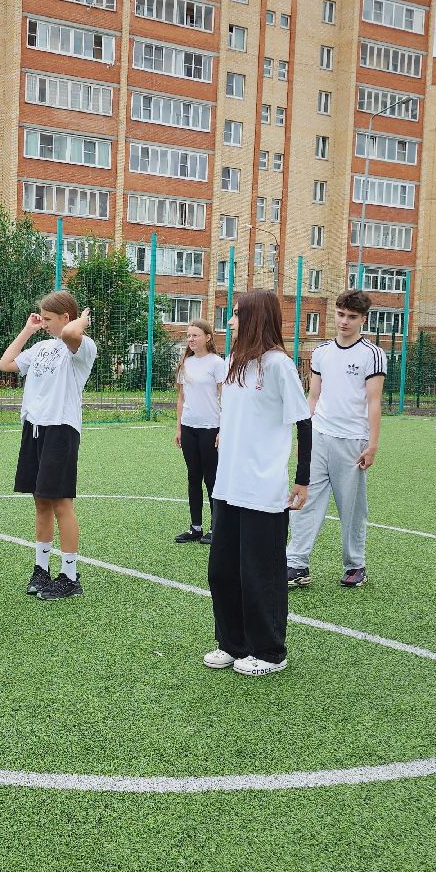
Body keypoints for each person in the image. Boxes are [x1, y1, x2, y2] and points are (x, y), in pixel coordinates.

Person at [204, 289, 312, 676]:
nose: (230, 321)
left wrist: (302, 480)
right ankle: (232, 644)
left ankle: (269, 652)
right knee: (222, 570)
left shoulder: (279, 365)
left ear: (254, 318)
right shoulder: (233, 361)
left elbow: (304, 421)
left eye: (235, 315)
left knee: (259, 573)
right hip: (227, 487)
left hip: (264, 490)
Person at [284, 289, 387, 589]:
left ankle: (355, 565)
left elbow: (374, 402)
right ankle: (296, 564)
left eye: (351, 317)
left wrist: (373, 444)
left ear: (363, 319)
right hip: (319, 437)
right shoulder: (321, 352)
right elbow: (313, 396)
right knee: (303, 499)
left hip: (353, 441)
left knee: (351, 507)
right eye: (341, 314)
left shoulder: (372, 354)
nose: (344, 321)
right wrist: (306, 434)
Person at [0, 291, 96, 600]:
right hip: (34, 428)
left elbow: (69, 332)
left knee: (61, 503)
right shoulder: (42, 346)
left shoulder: (81, 347)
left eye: (49, 319)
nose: (45, 323)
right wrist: (29, 329)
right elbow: (6, 363)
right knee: (40, 501)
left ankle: (69, 576)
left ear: (67, 318)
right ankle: (41, 569)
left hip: (61, 430)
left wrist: (82, 320)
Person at [173, 320, 226, 545]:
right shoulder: (186, 363)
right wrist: (178, 428)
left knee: (211, 478)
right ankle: (196, 527)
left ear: (208, 337)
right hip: (189, 428)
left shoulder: (217, 363)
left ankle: (217, 529)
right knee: (193, 477)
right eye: (188, 336)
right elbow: (181, 398)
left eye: (195, 335)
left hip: (210, 428)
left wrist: (223, 429)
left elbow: (226, 398)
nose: (191, 340)